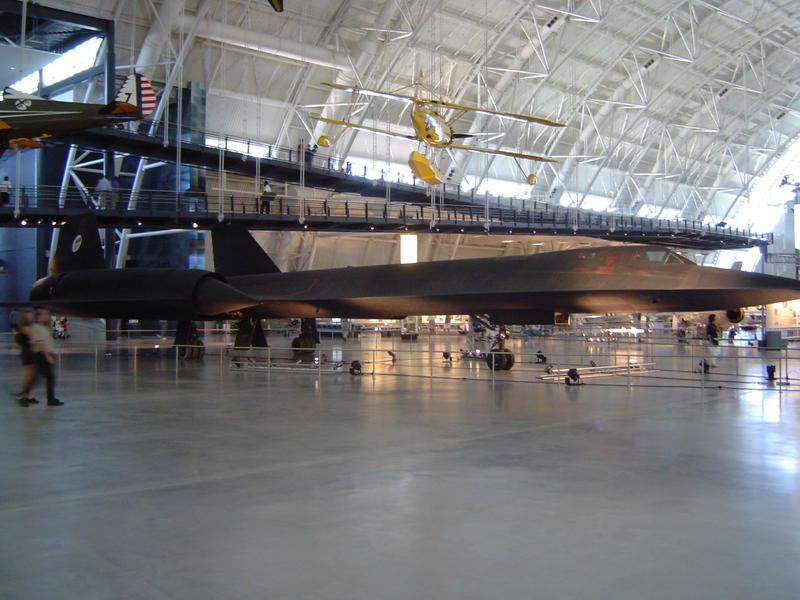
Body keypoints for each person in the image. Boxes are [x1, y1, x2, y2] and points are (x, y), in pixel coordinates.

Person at [22, 309, 64, 406]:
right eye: (44, 315)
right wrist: (47, 356)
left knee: (37, 378)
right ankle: (50, 399)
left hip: (46, 354)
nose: (46, 316)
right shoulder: (36, 327)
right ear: (38, 316)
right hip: (41, 355)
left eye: (47, 315)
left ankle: (25, 395)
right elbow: (39, 343)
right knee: (49, 377)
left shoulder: (44, 327)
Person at [13, 310, 39, 407]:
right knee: (29, 376)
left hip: (28, 352)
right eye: (30, 316)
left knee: (30, 375)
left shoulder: (25, 327)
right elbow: (34, 338)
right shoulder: (26, 328)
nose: (31, 317)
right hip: (27, 353)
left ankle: (28, 395)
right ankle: (22, 395)